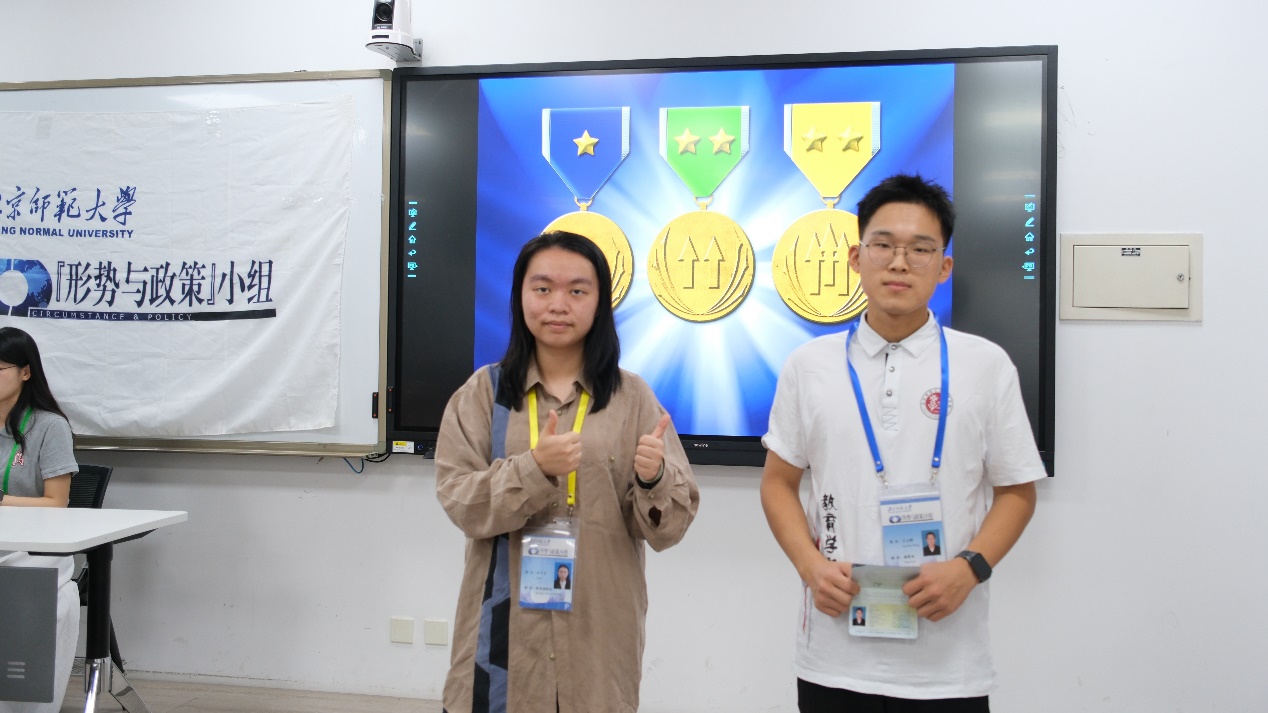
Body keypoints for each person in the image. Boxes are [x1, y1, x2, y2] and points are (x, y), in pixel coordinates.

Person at [760, 175, 1045, 711]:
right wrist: (809, 566)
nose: (899, 263)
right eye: (883, 245)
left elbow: (1017, 492)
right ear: (856, 257)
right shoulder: (808, 365)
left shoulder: (985, 365)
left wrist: (970, 568)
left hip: (948, 664)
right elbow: (778, 483)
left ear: (945, 267)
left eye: (920, 249)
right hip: (833, 655)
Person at [435, 231, 699, 713]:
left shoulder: (632, 398)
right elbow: (460, 501)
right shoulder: (483, 394)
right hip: (503, 638)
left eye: (577, 290)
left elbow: (669, 530)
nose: (558, 304)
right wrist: (534, 469)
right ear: (520, 296)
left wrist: (653, 478)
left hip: (598, 633)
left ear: (599, 302)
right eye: (542, 288)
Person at [0, 327, 79, 713]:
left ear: (25, 372)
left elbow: (56, 503)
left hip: (33, 550)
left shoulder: (49, 426)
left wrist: (2, 501)